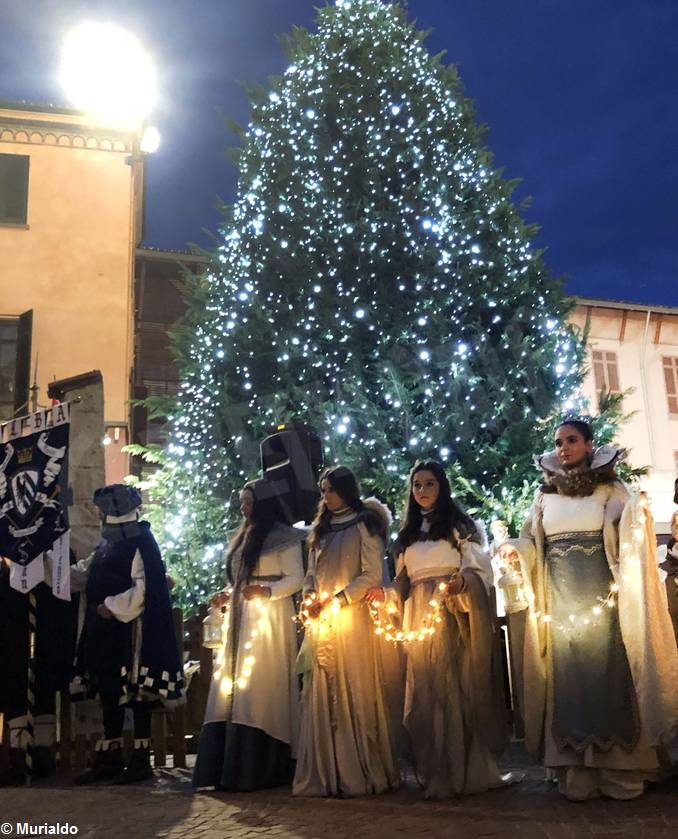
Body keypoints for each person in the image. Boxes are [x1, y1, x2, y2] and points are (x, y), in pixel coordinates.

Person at [501, 419, 678, 801]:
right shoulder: (545, 497)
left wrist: (639, 514)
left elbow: (629, 527)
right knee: (570, 681)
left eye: (572, 440)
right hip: (560, 603)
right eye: (559, 442)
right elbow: (533, 539)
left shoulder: (610, 490)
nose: (564, 447)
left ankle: (618, 769)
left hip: (603, 601)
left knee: (608, 676)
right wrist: (517, 549)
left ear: (588, 444)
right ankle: (578, 770)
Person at [366, 460, 509, 798]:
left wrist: (462, 582)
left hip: (452, 613)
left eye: (429, 484)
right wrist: (383, 596)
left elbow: (479, 569)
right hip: (418, 617)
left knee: (456, 687)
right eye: (416, 485)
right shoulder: (407, 537)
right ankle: (438, 772)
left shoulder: (461, 527)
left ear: (441, 487)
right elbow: (402, 582)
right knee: (425, 691)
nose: (422, 491)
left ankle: (467, 770)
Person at [66, 484, 185, 784]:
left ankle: (141, 761)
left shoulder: (141, 540)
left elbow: (145, 587)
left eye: (103, 509)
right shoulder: (108, 543)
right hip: (106, 633)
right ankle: (110, 758)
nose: (98, 514)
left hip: (131, 632)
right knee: (110, 692)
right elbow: (86, 573)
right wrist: (51, 569)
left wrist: (111, 605)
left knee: (137, 694)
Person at [293, 465, 399, 797]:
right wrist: (310, 598)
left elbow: (370, 574)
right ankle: (329, 770)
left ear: (345, 490)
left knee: (355, 684)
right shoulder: (320, 530)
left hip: (353, 621)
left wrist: (339, 600)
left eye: (330, 489)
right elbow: (311, 573)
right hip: (322, 621)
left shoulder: (365, 525)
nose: (326, 496)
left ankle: (360, 768)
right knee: (323, 685)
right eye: (323, 491)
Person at [193, 479, 305, 791]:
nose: (244, 508)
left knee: (259, 689)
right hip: (241, 619)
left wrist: (267, 591)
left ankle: (263, 764)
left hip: (268, 621)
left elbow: (296, 578)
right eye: (242, 502)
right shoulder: (243, 538)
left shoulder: (286, 538)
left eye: (249, 502)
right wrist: (228, 595)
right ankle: (227, 766)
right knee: (232, 687)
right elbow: (241, 580)